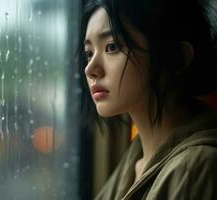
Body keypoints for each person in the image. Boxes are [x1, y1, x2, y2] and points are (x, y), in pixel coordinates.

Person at [77, 0, 217, 199]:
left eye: (112, 46)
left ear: (175, 58)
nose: (90, 69)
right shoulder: (133, 160)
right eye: (89, 54)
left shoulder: (197, 167)